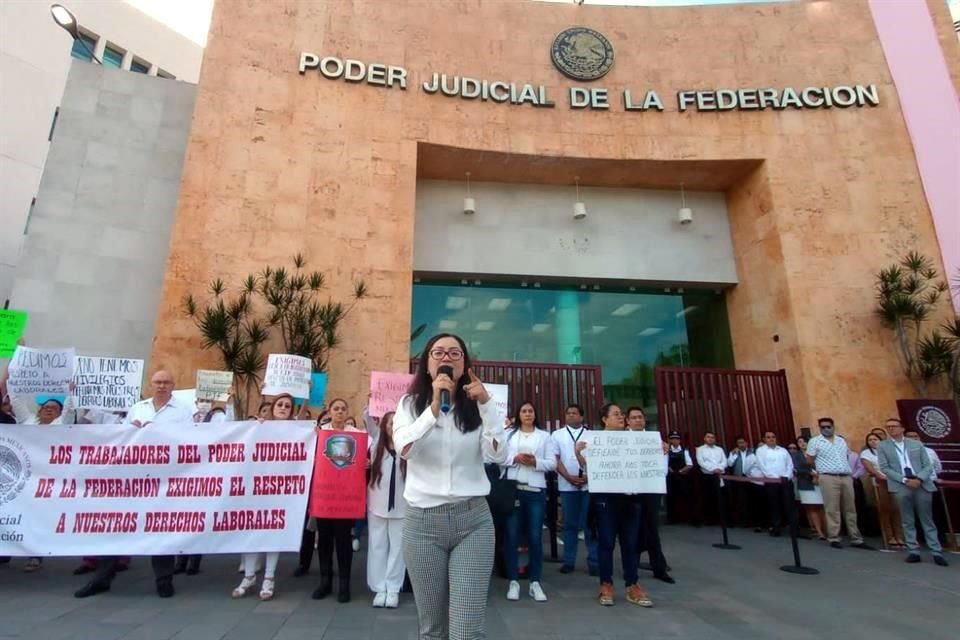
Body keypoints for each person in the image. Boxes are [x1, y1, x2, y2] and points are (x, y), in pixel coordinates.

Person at [393, 333, 506, 640]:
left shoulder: (481, 406)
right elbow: (405, 448)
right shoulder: (408, 405)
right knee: (432, 630)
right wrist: (432, 409)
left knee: (466, 631)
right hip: (422, 524)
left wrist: (485, 405)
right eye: (438, 352)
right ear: (427, 365)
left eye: (455, 353)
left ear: (465, 364)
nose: (446, 358)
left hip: (473, 523)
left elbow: (498, 454)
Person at [75, 370, 194, 598]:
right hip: (133, 478)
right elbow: (122, 438)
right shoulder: (139, 407)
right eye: (157, 382)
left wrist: (159, 433)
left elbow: (187, 440)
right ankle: (102, 578)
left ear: (173, 385)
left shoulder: (183, 411)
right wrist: (134, 429)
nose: (161, 386)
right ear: (151, 384)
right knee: (118, 525)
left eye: (166, 382)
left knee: (161, 527)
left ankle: (164, 580)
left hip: (163, 478)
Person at [574, 403, 653, 607]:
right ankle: (606, 584)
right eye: (616, 414)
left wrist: (659, 450)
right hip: (606, 500)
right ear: (604, 419)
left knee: (631, 544)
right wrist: (578, 453)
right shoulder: (593, 440)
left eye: (622, 414)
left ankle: (632, 585)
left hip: (631, 498)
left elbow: (648, 461)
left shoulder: (636, 439)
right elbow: (585, 465)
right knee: (606, 543)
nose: (621, 417)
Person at [231, 393, 302, 600]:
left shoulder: (297, 430)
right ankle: (250, 575)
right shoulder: (259, 426)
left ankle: (269, 577)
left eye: (287, 406)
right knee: (252, 531)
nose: (282, 408)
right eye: (279, 404)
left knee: (274, 534)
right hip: (257, 489)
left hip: (280, 491)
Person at [500, 401, 556, 602]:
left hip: (535, 491)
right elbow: (499, 458)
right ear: (518, 414)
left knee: (534, 536)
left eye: (530, 411)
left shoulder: (545, 436)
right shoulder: (508, 434)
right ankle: (513, 581)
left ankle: (535, 582)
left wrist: (535, 462)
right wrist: (515, 458)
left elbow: (552, 463)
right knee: (512, 536)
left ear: (535, 414)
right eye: (523, 411)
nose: (527, 414)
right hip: (513, 490)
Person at [312, 398, 364, 603]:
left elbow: (362, 456)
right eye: (336, 409)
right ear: (330, 412)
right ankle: (325, 580)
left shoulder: (356, 434)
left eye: (343, 409)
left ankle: (344, 584)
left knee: (343, 542)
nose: (340, 412)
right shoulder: (319, 433)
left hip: (345, 499)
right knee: (324, 541)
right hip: (325, 496)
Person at [878, 418, 947, 566]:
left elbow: (928, 465)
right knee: (907, 519)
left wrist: (920, 478)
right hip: (901, 484)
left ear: (902, 428)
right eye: (888, 427)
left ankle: (936, 551)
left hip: (921, 482)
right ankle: (913, 550)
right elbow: (884, 468)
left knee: (927, 518)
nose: (891, 429)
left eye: (894, 426)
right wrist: (904, 480)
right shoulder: (883, 446)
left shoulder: (916, 444)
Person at [805, 418, 872, 550]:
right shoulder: (815, 441)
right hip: (828, 476)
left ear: (833, 426)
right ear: (819, 428)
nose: (826, 429)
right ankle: (834, 537)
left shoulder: (841, 440)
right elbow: (809, 460)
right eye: (823, 427)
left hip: (845, 476)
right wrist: (819, 470)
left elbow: (846, 456)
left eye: (828, 426)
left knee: (850, 508)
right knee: (832, 508)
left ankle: (856, 538)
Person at [626, 407, 673, 584]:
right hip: (630, 490)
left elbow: (662, 469)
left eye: (640, 417)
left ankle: (659, 567)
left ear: (644, 420)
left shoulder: (656, 441)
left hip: (651, 489)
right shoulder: (621, 440)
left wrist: (664, 452)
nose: (637, 420)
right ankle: (631, 567)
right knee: (631, 529)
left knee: (652, 528)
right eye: (633, 418)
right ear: (628, 422)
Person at [551, 403, 598, 575]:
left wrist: (589, 476)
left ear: (582, 416)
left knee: (590, 524)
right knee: (569, 524)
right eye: (568, 413)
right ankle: (568, 561)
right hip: (567, 484)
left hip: (588, 485)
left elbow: (597, 459)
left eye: (574, 413)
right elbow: (555, 459)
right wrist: (568, 477)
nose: (571, 416)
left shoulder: (591, 435)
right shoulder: (557, 435)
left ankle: (594, 562)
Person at [367, 411, 407, 608]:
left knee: (398, 548)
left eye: (396, 422)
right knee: (377, 545)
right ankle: (379, 587)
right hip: (378, 504)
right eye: (390, 423)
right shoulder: (376, 444)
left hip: (401, 505)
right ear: (384, 426)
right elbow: (368, 420)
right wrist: (370, 405)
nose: (392, 426)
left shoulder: (406, 447)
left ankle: (393, 588)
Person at [859, 432, 906, 550]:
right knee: (884, 509)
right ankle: (890, 536)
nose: (873, 441)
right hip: (880, 482)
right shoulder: (866, 453)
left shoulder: (890, 451)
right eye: (870, 440)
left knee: (897, 509)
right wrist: (881, 475)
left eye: (875, 439)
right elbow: (869, 467)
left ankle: (900, 536)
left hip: (894, 481)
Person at [754, 431, 795, 537]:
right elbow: (762, 466)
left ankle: (794, 528)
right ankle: (776, 527)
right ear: (764, 439)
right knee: (774, 505)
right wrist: (774, 478)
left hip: (785, 481)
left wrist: (786, 476)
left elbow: (789, 465)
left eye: (773, 437)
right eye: (768, 437)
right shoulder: (760, 451)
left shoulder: (783, 450)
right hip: (771, 482)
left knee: (789, 504)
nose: (771, 439)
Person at [792, 436, 826, 540]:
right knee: (812, 508)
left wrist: (818, 474)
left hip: (820, 481)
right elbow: (798, 469)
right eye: (799, 442)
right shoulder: (796, 456)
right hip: (806, 483)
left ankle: (826, 530)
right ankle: (819, 531)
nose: (802, 443)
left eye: (804, 441)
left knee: (822, 507)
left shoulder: (817, 453)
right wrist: (811, 474)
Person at [725, 435, 759, 529]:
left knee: (752, 500)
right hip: (739, 479)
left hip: (751, 478)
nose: (741, 445)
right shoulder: (734, 453)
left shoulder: (752, 451)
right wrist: (734, 454)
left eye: (743, 442)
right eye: (739, 443)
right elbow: (729, 464)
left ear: (746, 443)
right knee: (741, 500)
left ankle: (754, 521)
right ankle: (744, 521)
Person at [696, 432, 726, 525]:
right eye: (708, 437)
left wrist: (719, 468)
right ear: (704, 439)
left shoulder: (719, 449)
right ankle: (709, 520)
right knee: (708, 498)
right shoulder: (700, 449)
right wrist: (713, 469)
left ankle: (720, 519)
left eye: (712, 437)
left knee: (720, 498)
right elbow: (701, 462)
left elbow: (724, 461)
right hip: (707, 476)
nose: (711, 439)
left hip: (719, 475)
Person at [665, 431, 693, 525]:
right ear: (669, 440)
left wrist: (680, 471)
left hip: (683, 477)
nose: (675, 440)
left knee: (687, 497)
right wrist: (670, 470)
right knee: (671, 498)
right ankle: (672, 519)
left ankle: (691, 518)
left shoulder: (685, 450)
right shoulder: (667, 451)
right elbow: (664, 463)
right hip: (671, 477)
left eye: (677, 438)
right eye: (673, 438)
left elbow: (689, 464)